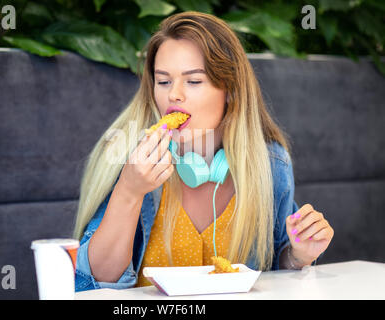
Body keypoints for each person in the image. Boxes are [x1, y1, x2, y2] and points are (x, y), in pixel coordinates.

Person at [73, 11, 334, 291]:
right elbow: (95, 284)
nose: (174, 94)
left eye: (194, 81)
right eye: (163, 81)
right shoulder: (129, 157)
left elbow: (278, 270)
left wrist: (299, 255)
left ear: (230, 90)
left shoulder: (269, 164)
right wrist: (129, 190)